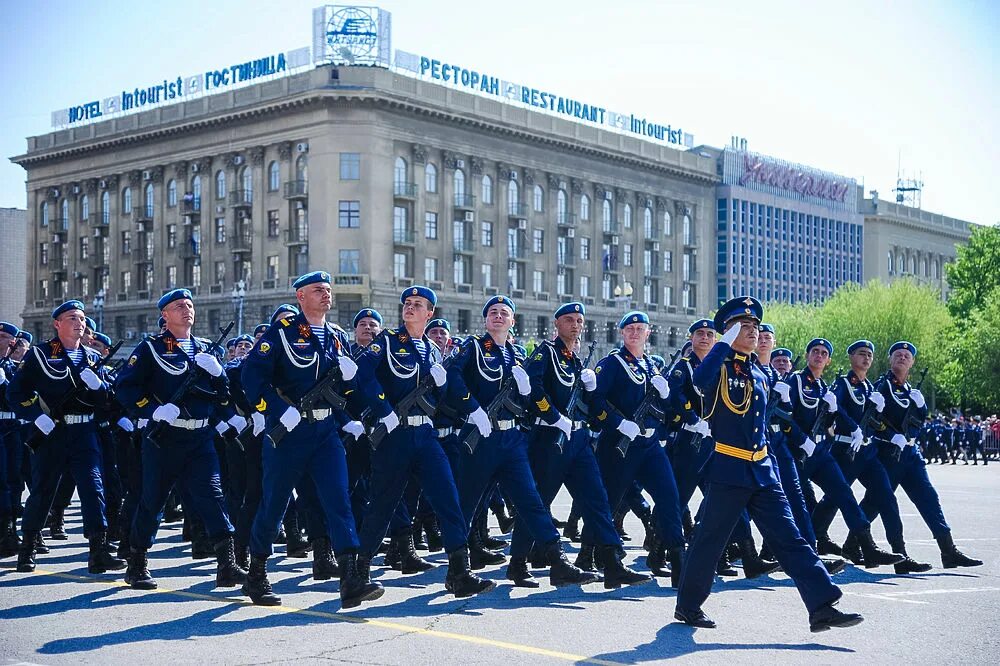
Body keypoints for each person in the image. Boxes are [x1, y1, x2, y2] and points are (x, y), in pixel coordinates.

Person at [674, 296, 862, 632]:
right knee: (709, 542)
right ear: (729, 332)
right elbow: (698, 383)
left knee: (790, 538)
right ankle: (688, 606)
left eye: (755, 327)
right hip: (729, 470)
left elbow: (760, 425)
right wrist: (722, 345)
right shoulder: (718, 366)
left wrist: (772, 465)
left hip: (762, 469)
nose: (753, 332)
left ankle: (821, 605)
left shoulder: (759, 372)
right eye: (744, 327)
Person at [241, 272, 381, 608]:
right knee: (274, 503)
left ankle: (350, 578)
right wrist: (274, 409)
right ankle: (256, 572)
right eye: (318, 290)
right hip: (288, 433)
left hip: (325, 432)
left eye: (328, 290)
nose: (326, 295)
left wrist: (351, 380)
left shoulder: (335, 336)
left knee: (338, 500)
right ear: (301, 296)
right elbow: (251, 378)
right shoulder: (281, 334)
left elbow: (342, 392)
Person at [446, 295, 597, 588]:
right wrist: (472, 408)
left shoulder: (516, 356)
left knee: (530, 501)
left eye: (505, 313)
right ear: (486, 319)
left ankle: (558, 561)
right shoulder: (474, 347)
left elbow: (530, 401)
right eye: (493, 312)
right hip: (482, 436)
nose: (499, 316)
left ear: (513, 321)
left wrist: (527, 391)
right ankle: (457, 570)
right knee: (465, 504)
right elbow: (453, 377)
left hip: (512, 439)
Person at [353, 286, 494, 598]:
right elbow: (364, 375)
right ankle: (357, 574)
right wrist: (383, 409)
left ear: (430, 314)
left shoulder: (432, 350)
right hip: (395, 435)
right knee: (382, 504)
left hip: (426, 435)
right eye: (408, 303)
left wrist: (451, 393)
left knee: (448, 497)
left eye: (418, 305)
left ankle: (459, 570)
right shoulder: (387, 341)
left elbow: (439, 398)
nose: (410, 308)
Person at [507, 302, 650, 589]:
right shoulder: (546, 353)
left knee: (596, 499)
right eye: (569, 320)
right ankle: (517, 562)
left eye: (579, 321)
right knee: (540, 501)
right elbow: (534, 390)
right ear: (556, 324)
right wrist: (552, 416)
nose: (575, 325)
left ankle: (612, 564)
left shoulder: (576, 359)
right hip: (550, 439)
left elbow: (589, 404)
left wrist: (591, 389)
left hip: (579, 439)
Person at [114, 289, 245, 590]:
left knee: (213, 497)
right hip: (164, 439)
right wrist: (153, 410)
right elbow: (125, 388)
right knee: (154, 500)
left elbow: (221, 396)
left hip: (199, 436)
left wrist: (220, 375)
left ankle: (227, 564)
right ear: (165, 315)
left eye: (189, 305)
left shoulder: (206, 350)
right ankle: (137, 563)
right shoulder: (151, 349)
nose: (186, 310)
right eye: (178, 306)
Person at [8, 301, 124, 575]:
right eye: (72, 318)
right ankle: (27, 550)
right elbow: (16, 393)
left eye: (82, 318)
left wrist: (100, 387)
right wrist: (37, 415)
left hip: (85, 433)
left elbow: (107, 401)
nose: (79, 323)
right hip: (53, 433)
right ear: (57, 324)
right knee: (43, 489)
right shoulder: (41, 354)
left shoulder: (92, 358)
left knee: (94, 490)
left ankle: (98, 550)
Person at [776, 338, 903, 569]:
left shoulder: (823, 387)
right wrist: (801, 439)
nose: (819, 356)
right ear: (807, 356)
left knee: (843, 492)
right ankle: (805, 551)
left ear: (829, 360)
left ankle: (867, 545)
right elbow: (785, 417)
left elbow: (835, 418)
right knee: (797, 503)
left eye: (824, 353)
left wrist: (844, 417)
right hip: (798, 452)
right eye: (815, 351)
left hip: (820, 451)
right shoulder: (795, 381)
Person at [858, 341, 983, 570]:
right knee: (877, 502)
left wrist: (922, 410)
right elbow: (871, 419)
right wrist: (889, 435)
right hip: (888, 453)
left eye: (907, 355)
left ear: (912, 362)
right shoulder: (881, 386)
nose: (903, 358)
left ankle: (948, 550)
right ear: (890, 359)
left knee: (929, 499)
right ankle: (860, 544)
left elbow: (915, 424)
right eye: (898, 354)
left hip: (910, 456)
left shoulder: (912, 392)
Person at [588, 311, 686, 586]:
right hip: (620, 445)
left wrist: (666, 396)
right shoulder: (612, 364)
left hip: (650, 444)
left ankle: (678, 561)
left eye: (639, 328)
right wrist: (618, 424)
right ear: (622, 333)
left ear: (648, 333)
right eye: (629, 328)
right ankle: (597, 557)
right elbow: (595, 402)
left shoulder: (651, 367)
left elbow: (665, 410)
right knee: (608, 502)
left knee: (669, 497)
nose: (634, 332)